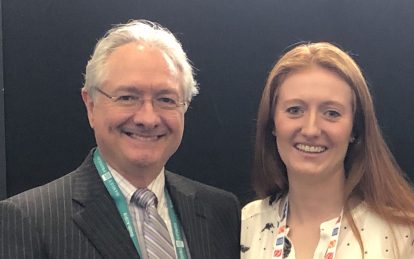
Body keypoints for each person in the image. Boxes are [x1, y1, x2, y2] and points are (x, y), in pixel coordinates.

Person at [0, 20, 240, 259]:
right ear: (91, 106)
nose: (148, 118)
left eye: (166, 99)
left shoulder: (221, 211)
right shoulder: (30, 220)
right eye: (127, 97)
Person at [240, 42, 414, 259]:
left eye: (332, 113)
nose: (311, 129)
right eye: (295, 110)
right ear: (272, 124)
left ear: (355, 129)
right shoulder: (243, 226)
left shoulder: (407, 237)